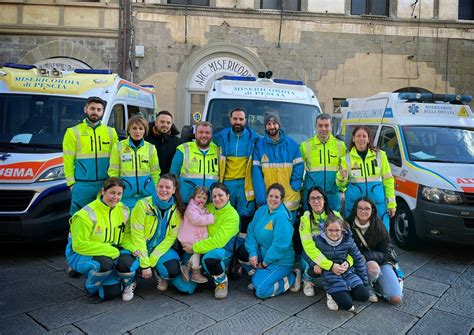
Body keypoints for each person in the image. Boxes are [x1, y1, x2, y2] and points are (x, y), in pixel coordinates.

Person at [65, 177, 137, 302]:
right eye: (112, 193)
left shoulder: (124, 210)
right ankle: (90, 288)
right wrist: (110, 251)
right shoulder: (85, 215)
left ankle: (121, 281)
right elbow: (79, 245)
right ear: (103, 191)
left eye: (119, 194)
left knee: (112, 292)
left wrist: (133, 248)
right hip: (80, 254)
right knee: (104, 264)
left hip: (110, 253)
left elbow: (125, 236)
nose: (115, 197)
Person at [124, 174, 185, 293]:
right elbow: (137, 236)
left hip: (159, 249)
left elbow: (170, 238)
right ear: (156, 188)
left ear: (174, 190)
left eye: (167, 187)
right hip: (138, 247)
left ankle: (159, 273)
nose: (163, 190)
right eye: (160, 186)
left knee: (172, 270)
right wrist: (145, 264)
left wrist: (151, 261)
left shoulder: (177, 209)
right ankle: (130, 281)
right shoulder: (142, 205)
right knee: (125, 265)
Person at [236, 183, 297, 299]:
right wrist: (253, 253)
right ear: (267, 197)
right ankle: (259, 277)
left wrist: (264, 264)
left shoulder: (281, 218)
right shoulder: (261, 210)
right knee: (242, 252)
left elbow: (279, 247)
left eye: (276, 197)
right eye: (271, 196)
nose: (273, 199)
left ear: (282, 199)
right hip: (264, 254)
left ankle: (292, 276)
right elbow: (251, 232)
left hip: (281, 261)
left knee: (261, 291)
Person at [180, 183, 239, 299]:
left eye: (220, 195)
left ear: (228, 196)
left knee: (210, 259)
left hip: (221, 251)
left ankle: (221, 281)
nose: (217, 199)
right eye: (214, 196)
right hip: (201, 247)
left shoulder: (232, 216)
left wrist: (194, 248)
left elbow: (218, 242)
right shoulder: (210, 207)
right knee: (186, 288)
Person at [63, 96, 118, 215]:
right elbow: (68, 160)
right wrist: (71, 184)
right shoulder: (73, 132)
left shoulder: (111, 132)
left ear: (103, 112)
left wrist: (113, 182)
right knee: (79, 219)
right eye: (92, 108)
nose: (95, 112)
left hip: (104, 184)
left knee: (102, 220)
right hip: (82, 185)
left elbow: (116, 160)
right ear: (85, 109)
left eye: (99, 109)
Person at [214, 107, 260, 248]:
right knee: (225, 219)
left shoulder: (256, 139)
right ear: (230, 120)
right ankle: (226, 253)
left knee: (244, 220)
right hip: (226, 184)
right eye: (235, 119)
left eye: (241, 119)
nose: (238, 122)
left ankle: (240, 254)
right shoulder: (219, 138)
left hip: (245, 185)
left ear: (246, 120)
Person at [337, 125, 396, 231]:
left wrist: (391, 203)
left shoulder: (380, 156)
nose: (361, 139)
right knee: (355, 236)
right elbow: (341, 185)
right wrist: (341, 177)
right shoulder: (346, 158)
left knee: (381, 234)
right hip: (355, 206)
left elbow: (388, 180)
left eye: (364, 136)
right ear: (353, 139)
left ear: (369, 139)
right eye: (358, 136)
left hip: (377, 204)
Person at [346, 197, 403, 305]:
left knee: (395, 299)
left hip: (380, 261)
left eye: (367, 209)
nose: (363, 211)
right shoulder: (347, 225)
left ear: (372, 210)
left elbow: (387, 254)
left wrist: (367, 256)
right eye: (360, 208)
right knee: (372, 267)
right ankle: (369, 284)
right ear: (355, 210)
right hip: (356, 264)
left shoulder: (379, 226)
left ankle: (376, 284)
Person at [252, 110, 303, 225]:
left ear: (279, 124)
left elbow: (299, 165)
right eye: (269, 124)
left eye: (274, 123)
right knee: (270, 232)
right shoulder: (259, 146)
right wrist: (260, 196)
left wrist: (294, 185)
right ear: (265, 126)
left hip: (289, 198)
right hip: (269, 199)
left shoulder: (292, 144)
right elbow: (256, 173)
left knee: (287, 231)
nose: (272, 126)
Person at [299, 186, 351, 297]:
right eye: (312, 198)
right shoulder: (306, 218)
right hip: (312, 255)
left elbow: (348, 242)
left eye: (319, 197)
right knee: (317, 268)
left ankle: (334, 286)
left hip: (334, 253)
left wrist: (348, 260)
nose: (316, 201)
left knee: (343, 266)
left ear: (324, 200)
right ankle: (307, 279)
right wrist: (328, 265)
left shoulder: (336, 215)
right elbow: (308, 246)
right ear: (308, 201)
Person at [315, 215, 369, 312]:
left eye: (337, 230)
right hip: (330, 274)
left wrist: (364, 282)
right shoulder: (318, 241)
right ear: (325, 229)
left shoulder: (348, 240)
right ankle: (332, 293)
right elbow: (309, 255)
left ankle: (345, 290)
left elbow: (358, 259)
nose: (334, 233)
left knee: (364, 295)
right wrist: (314, 265)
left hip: (347, 272)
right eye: (330, 230)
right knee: (347, 305)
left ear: (342, 230)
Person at [108, 115, 160, 209]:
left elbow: (155, 172)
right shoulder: (118, 147)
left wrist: (156, 189)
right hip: (125, 196)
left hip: (146, 195)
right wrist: (116, 190)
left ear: (145, 131)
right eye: (134, 128)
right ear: (129, 130)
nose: (138, 131)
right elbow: (113, 172)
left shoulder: (151, 148)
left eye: (141, 128)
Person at [300, 113, 346, 211]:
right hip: (312, 195)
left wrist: (342, 189)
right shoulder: (305, 146)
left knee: (333, 224)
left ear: (331, 126)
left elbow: (345, 170)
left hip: (332, 195)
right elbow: (297, 171)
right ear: (315, 127)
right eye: (320, 126)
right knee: (311, 223)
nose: (323, 129)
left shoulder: (341, 146)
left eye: (326, 125)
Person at [170, 122, 219, 203]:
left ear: (211, 135)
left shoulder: (218, 151)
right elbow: (173, 175)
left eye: (207, 133)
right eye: (201, 132)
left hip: (210, 201)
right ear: (195, 134)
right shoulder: (183, 149)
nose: (204, 135)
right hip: (187, 201)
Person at [178, 186, 214, 283]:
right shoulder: (191, 208)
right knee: (197, 251)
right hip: (189, 237)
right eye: (199, 197)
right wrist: (211, 218)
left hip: (195, 237)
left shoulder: (201, 208)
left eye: (204, 198)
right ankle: (195, 274)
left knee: (197, 251)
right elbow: (197, 220)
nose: (201, 200)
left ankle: (187, 267)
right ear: (193, 197)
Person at [145, 110, 182, 175]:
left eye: (168, 123)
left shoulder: (178, 143)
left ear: (171, 124)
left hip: (170, 182)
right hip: (150, 182)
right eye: (162, 122)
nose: (165, 125)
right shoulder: (146, 140)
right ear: (156, 123)